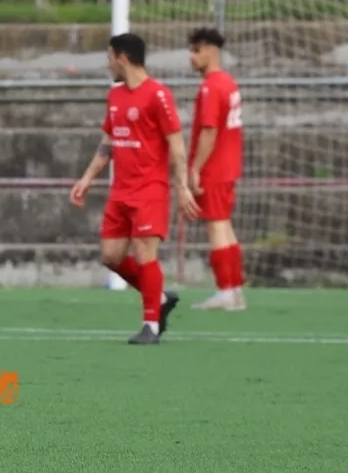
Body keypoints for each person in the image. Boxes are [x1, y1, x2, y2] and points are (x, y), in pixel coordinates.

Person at [70, 32, 199, 345]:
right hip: (121, 190)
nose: (108, 63)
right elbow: (108, 142)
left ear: (122, 58)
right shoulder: (114, 96)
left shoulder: (158, 95)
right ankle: (160, 298)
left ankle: (151, 326)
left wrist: (182, 188)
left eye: (109, 57)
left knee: (145, 254)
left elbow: (177, 146)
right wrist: (88, 177)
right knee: (111, 256)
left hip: (150, 189)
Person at [186, 28, 246, 311]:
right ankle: (234, 290)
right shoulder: (229, 83)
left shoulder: (211, 87)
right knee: (225, 225)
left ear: (212, 51)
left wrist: (195, 168)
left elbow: (209, 132)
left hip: (215, 167)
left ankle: (225, 290)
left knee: (217, 226)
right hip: (229, 165)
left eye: (197, 50)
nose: (192, 57)